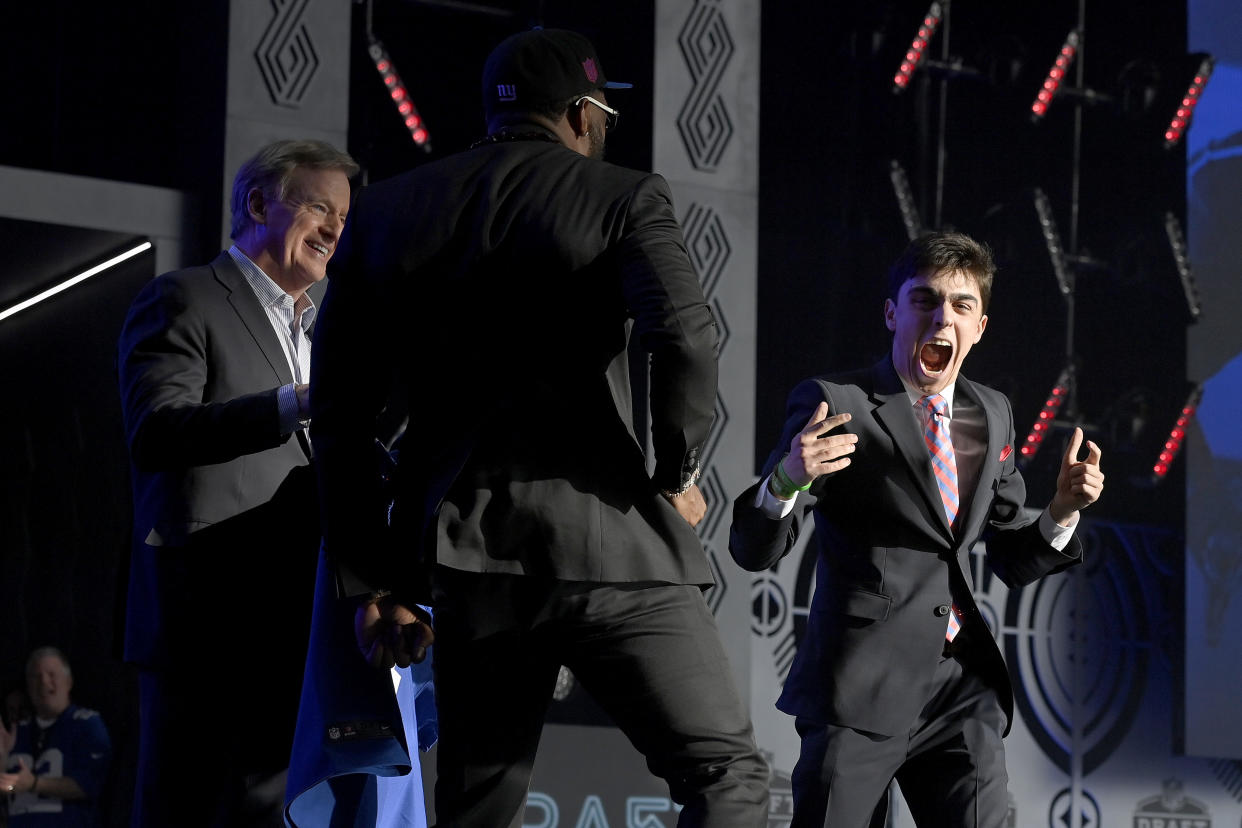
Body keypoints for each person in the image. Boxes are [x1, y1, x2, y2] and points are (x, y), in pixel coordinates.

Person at [310, 27, 770, 828]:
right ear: (584, 115)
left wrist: (373, 580)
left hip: (468, 555)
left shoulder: (388, 210)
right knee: (725, 775)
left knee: (478, 805)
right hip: (615, 547)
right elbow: (687, 338)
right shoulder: (623, 196)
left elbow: (340, 411)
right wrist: (673, 472)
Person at [729, 232, 1105, 828]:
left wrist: (1059, 512)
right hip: (860, 687)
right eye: (924, 300)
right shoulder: (837, 401)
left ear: (980, 327)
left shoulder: (993, 413)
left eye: (961, 305)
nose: (942, 317)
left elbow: (1009, 553)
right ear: (892, 312)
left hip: (961, 688)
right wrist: (785, 481)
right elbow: (754, 549)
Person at [116, 139, 359, 827]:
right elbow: (157, 432)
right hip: (202, 617)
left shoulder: (321, 331)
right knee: (186, 809)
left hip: (294, 619)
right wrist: (298, 403)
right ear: (257, 203)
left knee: (267, 809)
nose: (336, 230)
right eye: (318, 206)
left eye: (344, 217)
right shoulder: (183, 297)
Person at [0, 647, 111, 827]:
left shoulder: (86, 724)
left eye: (51, 674)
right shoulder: (17, 731)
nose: (44, 682)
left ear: (69, 681)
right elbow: (7, 789)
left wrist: (35, 784)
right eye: (36, 677)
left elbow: (90, 783)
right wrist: (2, 757)